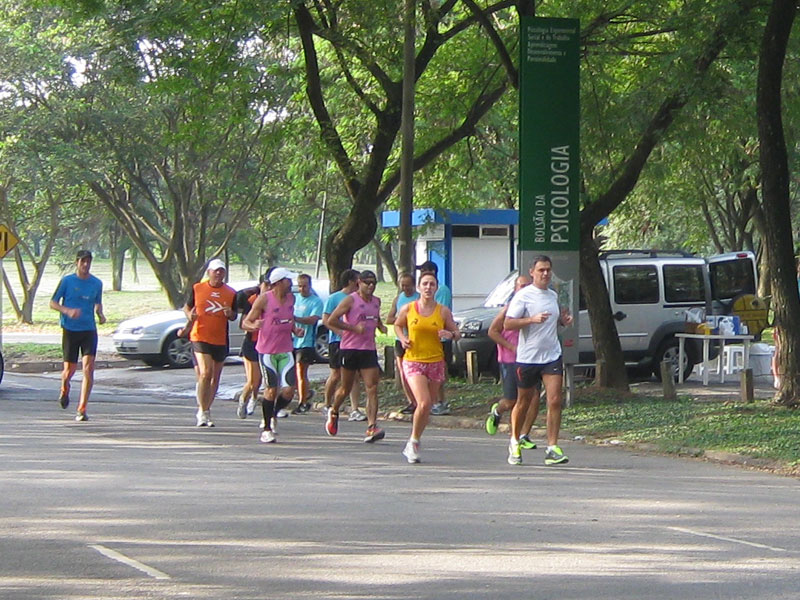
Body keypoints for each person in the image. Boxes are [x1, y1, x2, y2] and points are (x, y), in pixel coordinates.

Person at [504, 255, 573, 466]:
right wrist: (531, 319)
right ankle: (514, 441)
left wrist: (563, 321)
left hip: (551, 355)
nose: (545, 274)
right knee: (523, 402)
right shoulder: (523, 296)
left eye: (548, 270)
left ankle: (552, 447)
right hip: (528, 357)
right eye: (541, 270)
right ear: (532, 272)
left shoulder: (553, 295)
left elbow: (554, 322)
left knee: (555, 400)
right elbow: (508, 324)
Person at [394, 271, 460, 463]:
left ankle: (414, 439)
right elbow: (397, 325)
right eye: (425, 284)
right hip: (413, 360)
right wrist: (403, 338)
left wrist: (450, 334)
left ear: (436, 288)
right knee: (423, 402)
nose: (428, 287)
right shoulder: (409, 308)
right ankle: (414, 443)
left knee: (428, 406)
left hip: (435, 361)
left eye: (432, 284)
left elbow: (457, 333)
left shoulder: (443, 311)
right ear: (419, 287)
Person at [243, 267, 304, 443]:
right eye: (287, 280)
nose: (291, 284)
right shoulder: (264, 299)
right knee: (271, 390)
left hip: (285, 350)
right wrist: (254, 326)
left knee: (289, 390)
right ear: (277, 283)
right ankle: (267, 429)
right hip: (267, 351)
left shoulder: (291, 298)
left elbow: (289, 318)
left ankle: (273, 414)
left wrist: (295, 330)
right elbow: (246, 322)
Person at [325, 270, 388, 442]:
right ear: (359, 282)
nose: (371, 286)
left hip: (368, 349)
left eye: (374, 283)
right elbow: (331, 320)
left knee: (372, 387)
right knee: (345, 389)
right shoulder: (350, 300)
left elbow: (374, 317)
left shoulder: (376, 301)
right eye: (367, 283)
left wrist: (380, 326)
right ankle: (334, 411)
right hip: (350, 349)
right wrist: (353, 329)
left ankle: (372, 427)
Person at [49, 250, 106, 422]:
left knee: (88, 368)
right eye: (83, 261)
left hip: (89, 330)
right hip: (70, 330)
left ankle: (82, 409)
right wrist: (67, 311)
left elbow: (97, 302)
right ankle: (64, 388)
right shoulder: (67, 281)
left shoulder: (96, 283)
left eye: (88, 261)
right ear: (77, 263)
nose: (85, 265)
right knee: (70, 370)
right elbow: (53, 303)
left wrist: (100, 314)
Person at [486, 273, 540, 449]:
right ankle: (497, 410)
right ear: (515, 289)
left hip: (530, 359)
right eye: (521, 286)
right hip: (510, 359)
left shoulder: (534, 308)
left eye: (527, 286)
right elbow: (492, 332)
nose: (524, 289)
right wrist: (511, 347)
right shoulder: (508, 310)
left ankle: (524, 435)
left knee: (534, 397)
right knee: (512, 401)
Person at [183, 258, 237, 427]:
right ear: (209, 272)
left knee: (214, 378)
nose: (219, 273)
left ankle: (206, 409)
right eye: (216, 271)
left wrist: (230, 313)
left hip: (220, 338)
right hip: (200, 335)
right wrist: (189, 315)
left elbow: (234, 315)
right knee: (206, 373)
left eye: (221, 271)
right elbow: (187, 307)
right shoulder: (197, 288)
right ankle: (201, 411)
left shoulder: (231, 292)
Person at [322, 269, 366, 422]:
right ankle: (327, 404)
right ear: (351, 281)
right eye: (358, 280)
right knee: (336, 375)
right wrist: (340, 332)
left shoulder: (359, 298)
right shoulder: (334, 298)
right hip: (337, 342)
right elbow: (326, 320)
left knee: (355, 376)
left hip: (354, 344)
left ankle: (354, 409)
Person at [418, 261, 453, 416]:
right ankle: (429, 402)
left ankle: (441, 401)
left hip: (441, 339)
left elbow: (441, 314)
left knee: (439, 372)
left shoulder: (442, 290)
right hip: (424, 340)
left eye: (425, 271)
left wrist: (445, 333)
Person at [234, 273, 270, 419]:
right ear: (260, 285)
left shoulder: (278, 301)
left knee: (263, 380)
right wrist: (254, 325)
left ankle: (256, 400)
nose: (269, 288)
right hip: (252, 343)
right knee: (253, 381)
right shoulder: (253, 300)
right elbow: (243, 324)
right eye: (266, 285)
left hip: (269, 344)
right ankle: (243, 400)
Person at [385, 272, 419, 414]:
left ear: (414, 285)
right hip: (401, 339)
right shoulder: (398, 299)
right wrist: (401, 319)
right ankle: (411, 401)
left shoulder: (419, 298)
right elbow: (389, 319)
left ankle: (420, 400)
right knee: (403, 371)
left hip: (416, 339)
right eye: (403, 285)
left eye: (408, 285)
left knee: (417, 372)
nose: (405, 288)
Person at [292, 273, 324, 414]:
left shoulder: (316, 301)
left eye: (305, 286)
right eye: (300, 286)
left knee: (301, 370)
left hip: (306, 342)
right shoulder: (294, 299)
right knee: (291, 372)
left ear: (310, 286)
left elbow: (312, 319)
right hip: (292, 341)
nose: (302, 289)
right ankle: (305, 392)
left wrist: (296, 319)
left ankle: (302, 402)